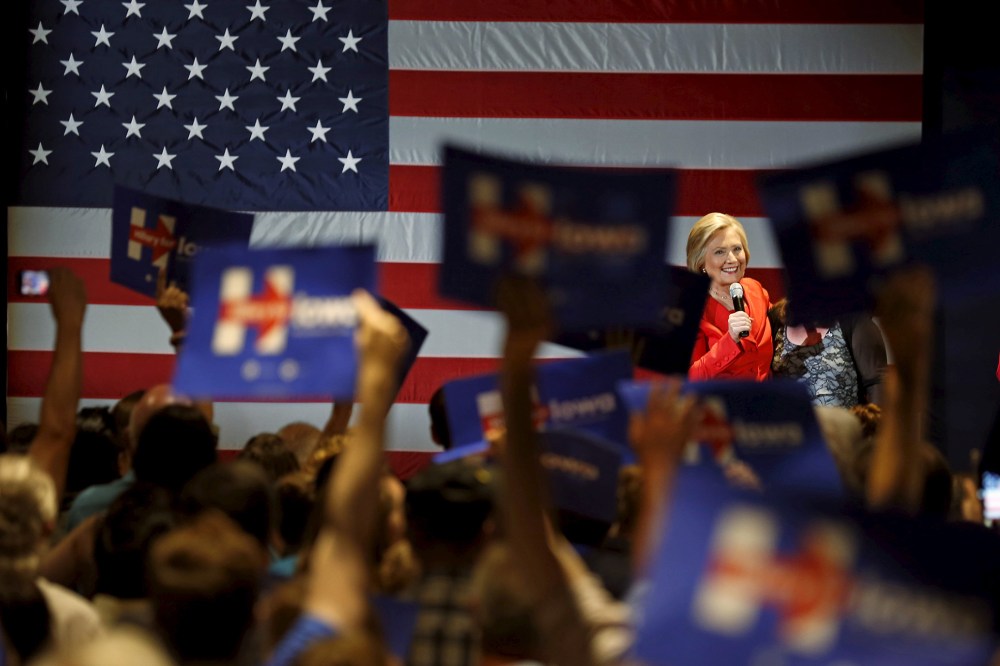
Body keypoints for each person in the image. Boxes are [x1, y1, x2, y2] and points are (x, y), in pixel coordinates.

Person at [685, 213, 773, 380]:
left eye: (737, 249)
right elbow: (688, 378)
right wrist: (730, 340)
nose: (732, 259)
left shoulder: (755, 290)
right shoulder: (691, 309)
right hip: (720, 403)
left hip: (766, 400)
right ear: (701, 262)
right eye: (720, 252)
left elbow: (783, 327)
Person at [769, 298, 887, 407]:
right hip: (794, 427)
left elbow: (877, 384)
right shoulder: (777, 318)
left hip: (842, 427)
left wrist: (876, 426)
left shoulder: (852, 318)